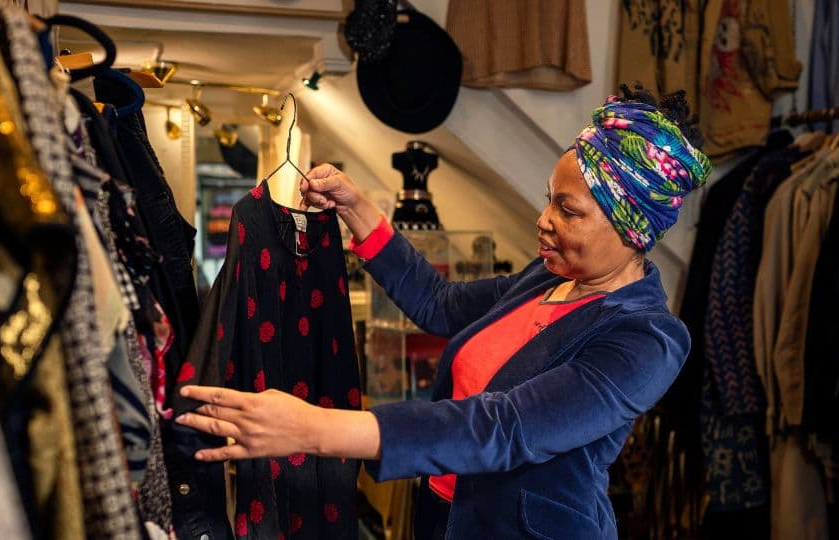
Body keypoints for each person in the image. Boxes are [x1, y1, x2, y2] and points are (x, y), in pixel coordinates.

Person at [175, 85, 712, 539]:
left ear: (631, 227)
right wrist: (358, 212)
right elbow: (442, 304)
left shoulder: (648, 340)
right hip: (445, 513)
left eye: (568, 210)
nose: (544, 221)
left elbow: (503, 427)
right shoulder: (550, 277)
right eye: (549, 199)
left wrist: (313, 428)